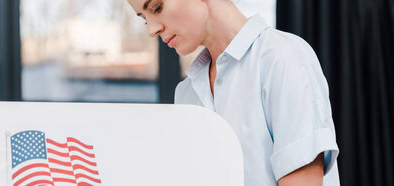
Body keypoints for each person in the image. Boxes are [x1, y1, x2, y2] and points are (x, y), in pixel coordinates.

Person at [126, 0, 340, 185]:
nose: (151, 30)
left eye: (156, 7)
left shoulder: (283, 59)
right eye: (144, 19)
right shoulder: (186, 94)